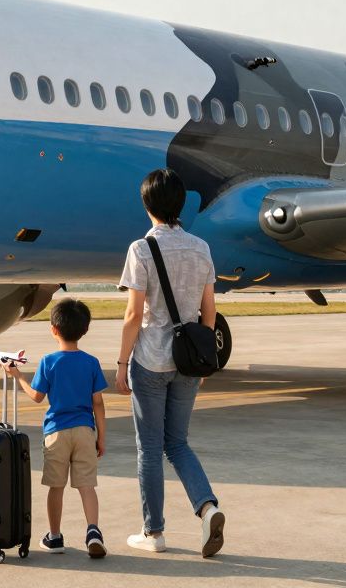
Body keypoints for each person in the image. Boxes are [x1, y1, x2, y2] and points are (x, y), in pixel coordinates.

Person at [115, 168, 224, 558]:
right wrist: (203, 361)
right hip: (187, 361)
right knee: (178, 443)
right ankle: (207, 506)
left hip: (150, 360)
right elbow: (208, 313)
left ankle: (154, 531)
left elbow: (133, 314)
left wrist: (121, 361)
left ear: (147, 205)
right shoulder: (201, 248)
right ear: (181, 204)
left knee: (149, 449)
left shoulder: (140, 249)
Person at [2, 298, 109, 557]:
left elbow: (37, 397)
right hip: (85, 431)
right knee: (87, 486)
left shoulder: (49, 362)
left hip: (57, 432)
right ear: (84, 330)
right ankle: (93, 530)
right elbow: (99, 404)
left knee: (56, 487)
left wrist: (18, 376)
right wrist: (101, 438)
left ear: (54, 329)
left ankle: (55, 536)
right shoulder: (91, 362)